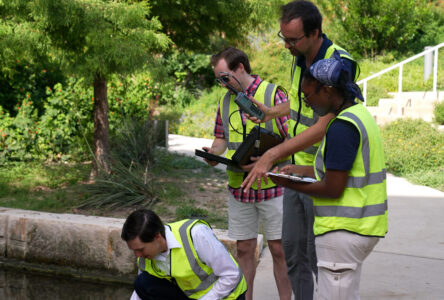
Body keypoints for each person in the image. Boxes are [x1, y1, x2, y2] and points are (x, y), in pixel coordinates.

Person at [240, 1, 358, 299]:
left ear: (315, 32)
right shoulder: (301, 57)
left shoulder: (339, 63)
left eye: (293, 40)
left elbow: (323, 125)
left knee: (321, 257)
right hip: (296, 172)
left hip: (322, 173)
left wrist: (271, 155)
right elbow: (301, 101)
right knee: (293, 253)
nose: (287, 46)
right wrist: (271, 112)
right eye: (284, 38)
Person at [268, 53, 388, 299]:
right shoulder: (358, 114)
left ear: (328, 90)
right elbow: (340, 169)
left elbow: (333, 187)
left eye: (308, 95)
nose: (307, 102)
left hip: (343, 231)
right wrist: (299, 171)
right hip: (360, 228)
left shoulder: (342, 127)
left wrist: (290, 184)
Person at [203, 47, 292, 300]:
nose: (221, 84)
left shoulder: (274, 95)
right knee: (244, 249)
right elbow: (221, 139)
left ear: (240, 67)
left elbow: (293, 140)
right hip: (240, 188)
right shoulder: (225, 100)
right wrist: (212, 152)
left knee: (279, 249)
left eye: (224, 77)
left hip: (274, 186)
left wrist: (268, 161)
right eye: (218, 79)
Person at [121, 209, 247, 300]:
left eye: (141, 249)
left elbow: (231, 275)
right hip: (192, 296)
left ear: (157, 237)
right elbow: (140, 291)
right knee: (143, 283)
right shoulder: (145, 257)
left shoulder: (196, 235)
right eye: (134, 250)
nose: (137, 255)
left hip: (227, 295)